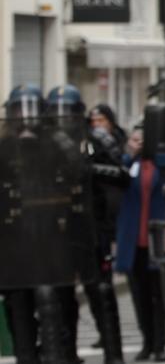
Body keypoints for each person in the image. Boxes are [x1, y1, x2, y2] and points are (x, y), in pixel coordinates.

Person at [47, 85, 129, 364]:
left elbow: (123, 175)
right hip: (57, 230)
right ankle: (66, 355)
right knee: (60, 296)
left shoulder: (94, 140)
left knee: (101, 291)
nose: (63, 120)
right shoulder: (43, 145)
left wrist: (89, 169)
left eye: (68, 113)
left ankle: (113, 353)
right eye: (57, 114)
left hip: (92, 227)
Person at [1, 85, 77, 364]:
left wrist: (57, 141)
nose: (25, 117)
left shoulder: (54, 141)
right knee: (17, 301)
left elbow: (76, 171)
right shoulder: (4, 145)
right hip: (14, 236)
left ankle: (58, 355)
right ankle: (26, 356)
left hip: (49, 234)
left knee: (52, 298)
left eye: (31, 110)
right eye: (20, 110)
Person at [115, 128, 165, 362]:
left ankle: (160, 344)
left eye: (144, 140)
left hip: (157, 239)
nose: (140, 144)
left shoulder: (163, 166)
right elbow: (116, 181)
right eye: (135, 139)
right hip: (134, 241)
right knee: (140, 296)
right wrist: (128, 156)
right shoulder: (127, 165)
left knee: (159, 294)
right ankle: (147, 342)